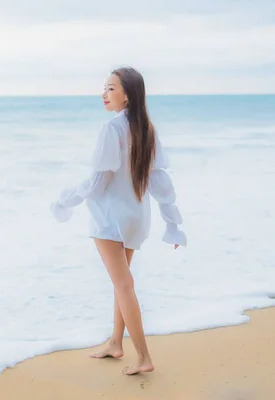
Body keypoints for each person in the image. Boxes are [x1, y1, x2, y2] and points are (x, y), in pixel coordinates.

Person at [50, 67, 187, 375]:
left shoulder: (112, 129)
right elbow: (159, 180)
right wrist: (172, 223)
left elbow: (98, 183)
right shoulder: (147, 129)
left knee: (123, 285)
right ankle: (116, 342)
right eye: (105, 87)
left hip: (110, 218)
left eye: (111, 88)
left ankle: (143, 357)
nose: (104, 93)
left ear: (128, 94)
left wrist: (66, 198)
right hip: (136, 217)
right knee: (121, 283)